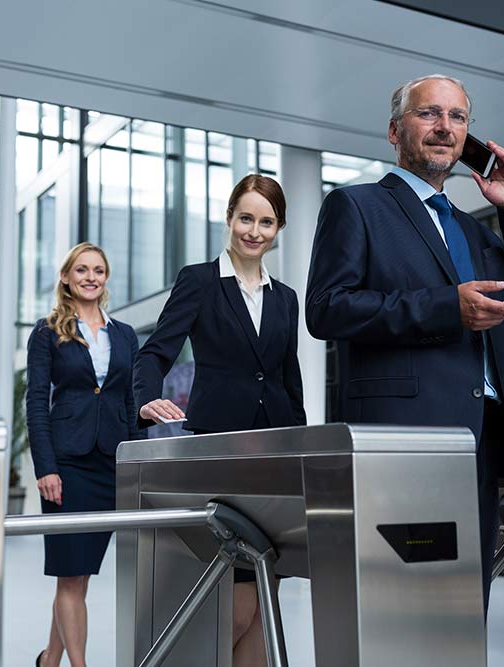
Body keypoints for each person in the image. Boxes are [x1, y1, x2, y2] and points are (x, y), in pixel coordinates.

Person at [305, 74, 504, 607]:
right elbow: (326, 309)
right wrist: (447, 307)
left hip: (484, 439)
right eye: (429, 114)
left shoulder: (476, 230)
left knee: (467, 602)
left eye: (458, 118)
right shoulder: (355, 206)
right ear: (395, 131)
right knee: (410, 602)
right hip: (408, 438)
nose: (445, 128)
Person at [134, 173, 306, 667]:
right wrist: (147, 399)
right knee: (236, 600)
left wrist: (303, 448)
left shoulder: (286, 298)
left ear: (279, 228)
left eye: (267, 222)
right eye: (246, 218)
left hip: (274, 455)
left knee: (263, 600)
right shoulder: (200, 281)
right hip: (220, 451)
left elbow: (286, 377)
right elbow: (155, 353)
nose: (255, 230)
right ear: (229, 218)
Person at [26, 242, 141, 667]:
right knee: (70, 576)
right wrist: (46, 468)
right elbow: (36, 402)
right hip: (68, 465)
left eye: (98, 270)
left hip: (110, 464)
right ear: (66, 278)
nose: (90, 277)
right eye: (81, 270)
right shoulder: (47, 331)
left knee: (80, 577)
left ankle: (48, 661)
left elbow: (128, 403)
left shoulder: (124, 334)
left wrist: (134, 463)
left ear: (105, 277)